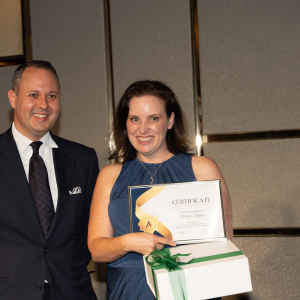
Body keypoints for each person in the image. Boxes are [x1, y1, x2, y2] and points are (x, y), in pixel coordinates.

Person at [88, 80, 233, 300]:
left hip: (190, 292)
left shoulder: (203, 169)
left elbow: (224, 246)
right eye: (134, 119)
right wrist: (129, 242)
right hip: (128, 293)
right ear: (125, 124)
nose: (142, 129)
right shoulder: (109, 176)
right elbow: (97, 250)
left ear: (170, 120)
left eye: (153, 118)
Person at [0, 60, 99, 300]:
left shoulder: (83, 159)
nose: (43, 104)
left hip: (73, 292)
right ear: (13, 98)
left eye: (52, 95)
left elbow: (94, 231)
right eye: (33, 94)